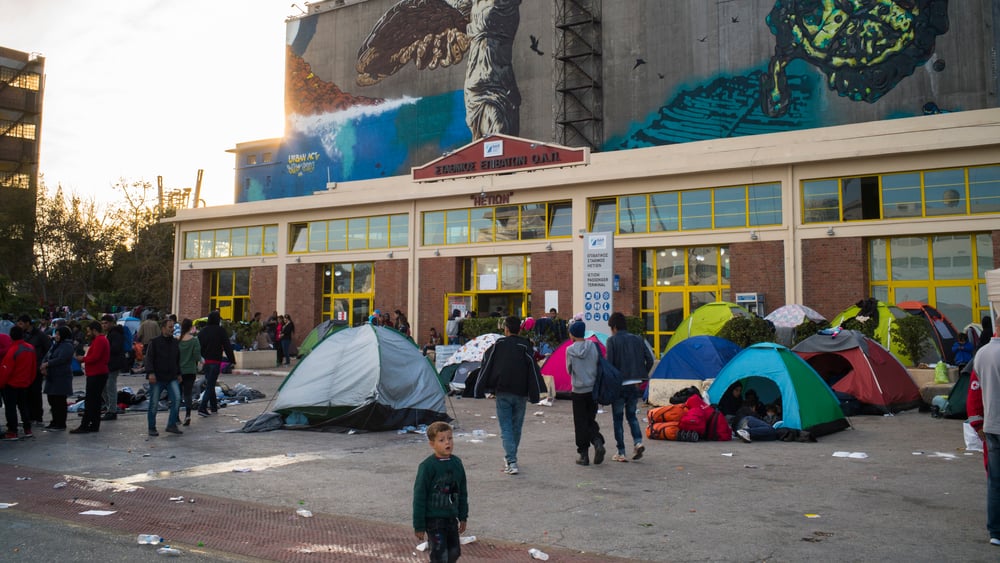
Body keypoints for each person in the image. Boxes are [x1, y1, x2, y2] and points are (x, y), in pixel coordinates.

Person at [475, 315, 546, 475]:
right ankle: (512, 457)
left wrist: (483, 387)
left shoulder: (499, 344)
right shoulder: (525, 345)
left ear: (506, 329)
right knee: (516, 427)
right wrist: (535, 392)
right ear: (519, 329)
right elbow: (533, 368)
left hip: (503, 391)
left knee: (506, 427)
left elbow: (486, 361)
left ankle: (511, 460)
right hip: (521, 392)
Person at [412, 421, 468, 563]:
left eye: (450, 438)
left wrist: (463, 516)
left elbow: (462, 491)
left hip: (451, 518)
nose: (447, 442)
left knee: (454, 552)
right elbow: (419, 496)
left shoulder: (457, 463)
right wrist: (419, 525)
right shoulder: (427, 466)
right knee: (439, 554)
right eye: (441, 440)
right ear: (432, 444)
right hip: (434, 520)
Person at [606, 312, 654, 462]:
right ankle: (638, 442)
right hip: (635, 384)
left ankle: (621, 452)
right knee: (632, 416)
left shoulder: (612, 341)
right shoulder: (638, 339)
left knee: (618, 419)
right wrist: (642, 376)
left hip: (619, 385)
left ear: (614, 327)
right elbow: (650, 359)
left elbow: (610, 365)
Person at [972, 316, 1000, 546]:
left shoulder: (981, 354)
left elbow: (975, 389)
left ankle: (995, 531)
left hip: (991, 424)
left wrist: (978, 422)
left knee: (995, 481)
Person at [565, 320, 605, 466]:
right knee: (590, 420)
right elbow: (598, 363)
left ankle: (583, 455)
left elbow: (569, 370)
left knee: (580, 422)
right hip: (592, 389)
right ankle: (597, 441)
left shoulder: (569, 350)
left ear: (573, 334)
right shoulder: (593, 346)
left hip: (578, 391)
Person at [144, 318, 183, 436]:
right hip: (157, 377)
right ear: (163, 328)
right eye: (170, 327)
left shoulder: (175, 343)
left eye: (173, 327)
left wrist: (179, 373)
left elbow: (177, 359)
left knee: (177, 399)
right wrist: (151, 373)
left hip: (171, 377)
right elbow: (149, 358)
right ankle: (152, 427)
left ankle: (171, 424)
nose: (172, 329)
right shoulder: (155, 342)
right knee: (154, 403)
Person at [71, 321, 109, 434]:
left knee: (91, 401)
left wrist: (82, 359)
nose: (88, 334)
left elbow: (95, 357)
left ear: (94, 330)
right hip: (98, 373)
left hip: (96, 373)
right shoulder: (101, 340)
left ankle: (85, 425)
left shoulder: (99, 340)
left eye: (89, 331)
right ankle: (94, 424)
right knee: (95, 401)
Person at [0, 326, 37, 440]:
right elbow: (33, 366)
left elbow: (6, 370)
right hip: (25, 382)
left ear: (11, 336)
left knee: (11, 408)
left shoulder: (13, 350)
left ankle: (12, 431)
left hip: (12, 384)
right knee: (24, 407)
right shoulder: (30, 348)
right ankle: (27, 429)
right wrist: (30, 380)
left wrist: (1, 383)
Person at [197, 311, 235, 417]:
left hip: (205, 362)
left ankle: (214, 406)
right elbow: (227, 346)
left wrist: (199, 359)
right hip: (215, 361)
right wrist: (232, 360)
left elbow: (198, 347)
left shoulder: (203, 331)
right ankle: (202, 407)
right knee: (210, 385)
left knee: (210, 383)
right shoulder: (220, 331)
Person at [40, 326, 74, 431]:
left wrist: (47, 364)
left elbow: (61, 359)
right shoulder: (56, 345)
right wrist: (43, 366)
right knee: (52, 400)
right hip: (52, 376)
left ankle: (60, 423)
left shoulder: (67, 346)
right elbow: (47, 355)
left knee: (59, 401)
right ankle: (54, 421)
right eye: (56, 334)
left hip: (61, 376)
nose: (56, 336)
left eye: (59, 334)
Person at [17, 314, 50, 425]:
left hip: (36, 368)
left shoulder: (40, 335)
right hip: (24, 369)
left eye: (21, 324)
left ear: (27, 323)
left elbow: (48, 349)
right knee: (25, 394)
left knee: (35, 393)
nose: (19, 326)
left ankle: (38, 417)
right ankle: (28, 417)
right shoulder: (21, 335)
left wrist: (43, 364)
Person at [101, 314, 127, 421]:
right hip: (110, 364)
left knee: (110, 387)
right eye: (102, 323)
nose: (104, 325)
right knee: (104, 387)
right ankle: (110, 408)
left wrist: (104, 349)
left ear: (111, 323)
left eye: (106, 323)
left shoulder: (115, 334)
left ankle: (112, 410)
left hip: (113, 364)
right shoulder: (111, 333)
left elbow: (115, 348)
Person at [177, 318, 201, 426]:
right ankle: (187, 415)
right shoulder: (194, 340)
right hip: (190, 371)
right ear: (191, 327)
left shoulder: (177, 340)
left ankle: (176, 416)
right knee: (188, 394)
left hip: (178, 371)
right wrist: (201, 361)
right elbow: (197, 356)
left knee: (177, 394)